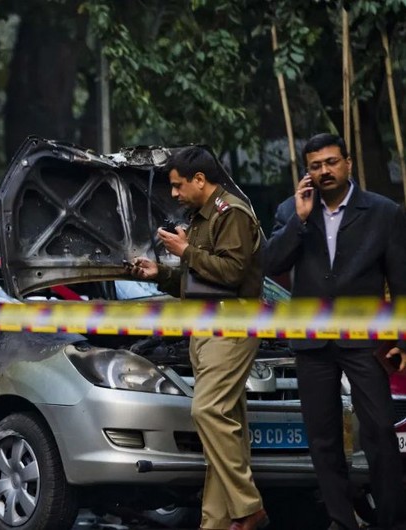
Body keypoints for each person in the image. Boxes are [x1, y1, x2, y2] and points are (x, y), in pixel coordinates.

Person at [263, 133, 406, 530]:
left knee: (379, 430)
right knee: (323, 439)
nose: (324, 171)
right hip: (311, 341)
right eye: (315, 165)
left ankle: (392, 522)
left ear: (348, 162)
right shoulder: (291, 211)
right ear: (306, 171)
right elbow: (270, 261)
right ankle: (342, 521)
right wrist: (300, 218)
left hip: (364, 339)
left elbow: (401, 281)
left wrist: (401, 339)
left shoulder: (384, 212)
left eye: (331, 162)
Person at [131, 146, 267, 530]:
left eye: (177, 186)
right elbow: (199, 283)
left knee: (206, 412)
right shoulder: (201, 217)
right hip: (205, 329)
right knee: (224, 432)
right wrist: (159, 272)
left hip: (231, 328)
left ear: (200, 181)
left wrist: (186, 250)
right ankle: (216, 522)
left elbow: (232, 273)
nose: (173, 194)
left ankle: (248, 507)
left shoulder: (232, 214)